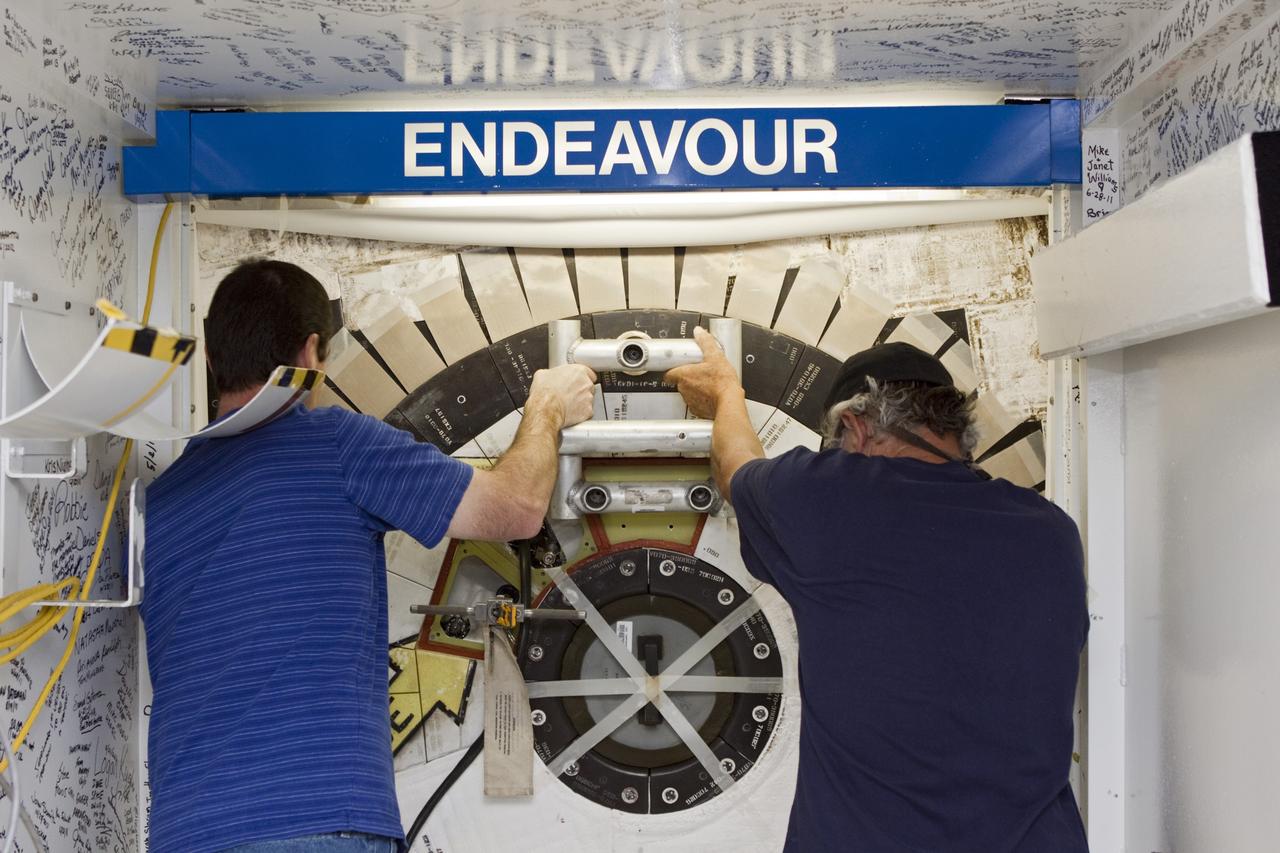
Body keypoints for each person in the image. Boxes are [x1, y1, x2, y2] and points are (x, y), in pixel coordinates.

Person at [141, 260, 596, 853]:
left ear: (211, 360)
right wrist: (547, 408)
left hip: (184, 833)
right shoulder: (335, 443)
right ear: (310, 353)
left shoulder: (159, 502)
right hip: (318, 817)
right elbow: (515, 510)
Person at [665, 329, 1089, 853]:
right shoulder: (1051, 531)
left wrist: (726, 394)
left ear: (855, 427)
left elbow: (737, 470)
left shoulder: (833, 497)